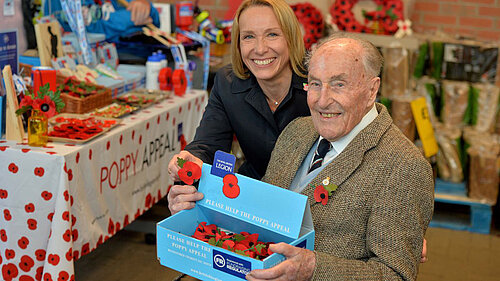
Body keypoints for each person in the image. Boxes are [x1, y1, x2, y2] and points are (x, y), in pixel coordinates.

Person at [169, 33, 434, 281]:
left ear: (371, 90)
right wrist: (200, 205)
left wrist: (312, 268)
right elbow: (261, 214)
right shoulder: (297, 131)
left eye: (339, 85)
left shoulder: (403, 167)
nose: (322, 100)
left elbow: (395, 275)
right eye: (315, 84)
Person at [168, 0, 310, 181]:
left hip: (312, 194)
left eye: (272, 34)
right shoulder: (228, 83)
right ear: (237, 43)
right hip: (253, 188)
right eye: (248, 37)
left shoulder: (317, 80)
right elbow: (208, 145)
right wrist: (192, 159)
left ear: (291, 38)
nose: (260, 49)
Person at [43, 0, 159, 42]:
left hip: (132, 57)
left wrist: (145, 5)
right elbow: (93, 30)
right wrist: (130, 19)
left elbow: (154, 19)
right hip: (84, 65)